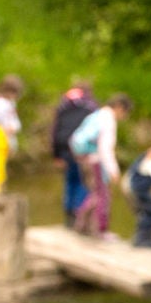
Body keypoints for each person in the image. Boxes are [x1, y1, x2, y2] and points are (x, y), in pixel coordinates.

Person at [67, 92, 131, 236]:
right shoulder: (108, 120)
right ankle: (100, 230)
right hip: (96, 161)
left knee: (95, 193)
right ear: (119, 107)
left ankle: (83, 226)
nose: (124, 117)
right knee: (102, 196)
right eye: (125, 113)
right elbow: (105, 148)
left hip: (85, 159)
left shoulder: (96, 115)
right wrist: (113, 170)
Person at [50, 80, 98, 221]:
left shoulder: (63, 106)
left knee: (70, 181)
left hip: (63, 148)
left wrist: (56, 155)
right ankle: (79, 214)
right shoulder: (91, 107)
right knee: (82, 182)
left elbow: (54, 132)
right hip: (81, 150)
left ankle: (68, 214)